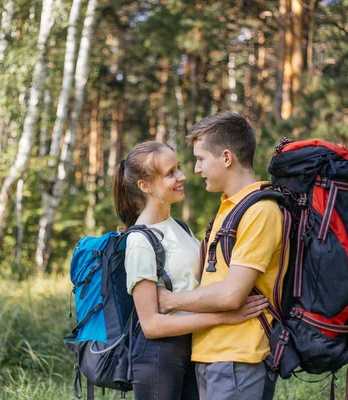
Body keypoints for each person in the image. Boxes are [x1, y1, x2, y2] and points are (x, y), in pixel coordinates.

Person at [113, 140, 268, 400]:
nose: (182, 176)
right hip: (159, 357)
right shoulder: (140, 240)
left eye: (179, 168)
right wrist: (223, 317)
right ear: (145, 186)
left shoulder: (181, 228)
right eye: (170, 173)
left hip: (193, 349)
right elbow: (151, 324)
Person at [157, 112, 289, 400]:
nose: (196, 168)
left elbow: (232, 295)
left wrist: (169, 301)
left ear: (226, 157)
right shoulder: (231, 207)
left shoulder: (260, 211)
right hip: (213, 354)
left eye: (201, 159)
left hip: (238, 358)